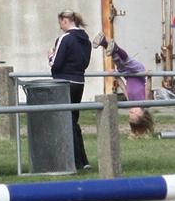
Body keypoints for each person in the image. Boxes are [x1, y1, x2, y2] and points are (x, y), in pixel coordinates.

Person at [49, 9, 92, 169]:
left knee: (66, 121)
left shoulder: (65, 38)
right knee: (73, 120)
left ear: (64, 21)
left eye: (60, 23)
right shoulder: (85, 41)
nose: (60, 27)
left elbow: (56, 63)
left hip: (64, 82)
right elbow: (85, 63)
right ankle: (82, 160)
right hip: (79, 82)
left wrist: (50, 56)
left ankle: (75, 160)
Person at [93, 33, 154, 138]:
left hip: (127, 75)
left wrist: (116, 76)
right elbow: (148, 89)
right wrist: (149, 78)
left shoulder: (130, 102)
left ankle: (104, 42)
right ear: (143, 116)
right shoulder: (145, 103)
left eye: (129, 115)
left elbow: (124, 88)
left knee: (117, 61)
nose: (131, 112)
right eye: (134, 114)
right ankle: (116, 48)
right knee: (126, 61)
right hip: (138, 72)